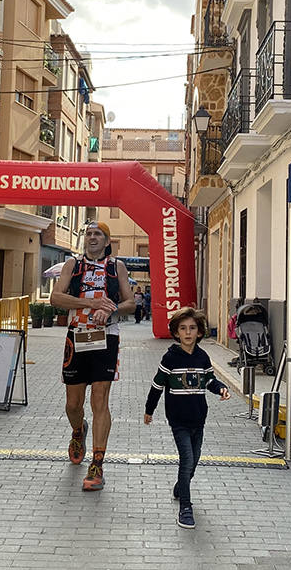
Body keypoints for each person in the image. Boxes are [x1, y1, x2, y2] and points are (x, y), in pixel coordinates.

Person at [50, 221, 134, 492]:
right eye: (89, 234)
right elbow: (55, 298)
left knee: (100, 400)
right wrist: (90, 303)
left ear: (107, 241)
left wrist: (110, 310)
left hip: (105, 338)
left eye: (98, 234)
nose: (92, 238)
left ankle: (97, 465)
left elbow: (131, 303)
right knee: (73, 405)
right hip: (77, 336)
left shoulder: (116, 266)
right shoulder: (72, 266)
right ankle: (78, 431)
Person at [144, 307, 229, 529]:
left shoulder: (202, 357)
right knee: (187, 460)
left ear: (199, 332)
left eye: (192, 328)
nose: (188, 332)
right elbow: (157, 385)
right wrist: (149, 410)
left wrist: (221, 388)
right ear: (176, 332)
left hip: (198, 419)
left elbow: (210, 381)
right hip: (178, 420)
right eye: (183, 328)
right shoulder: (170, 357)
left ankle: (180, 487)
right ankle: (185, 507)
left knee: (195, 459)